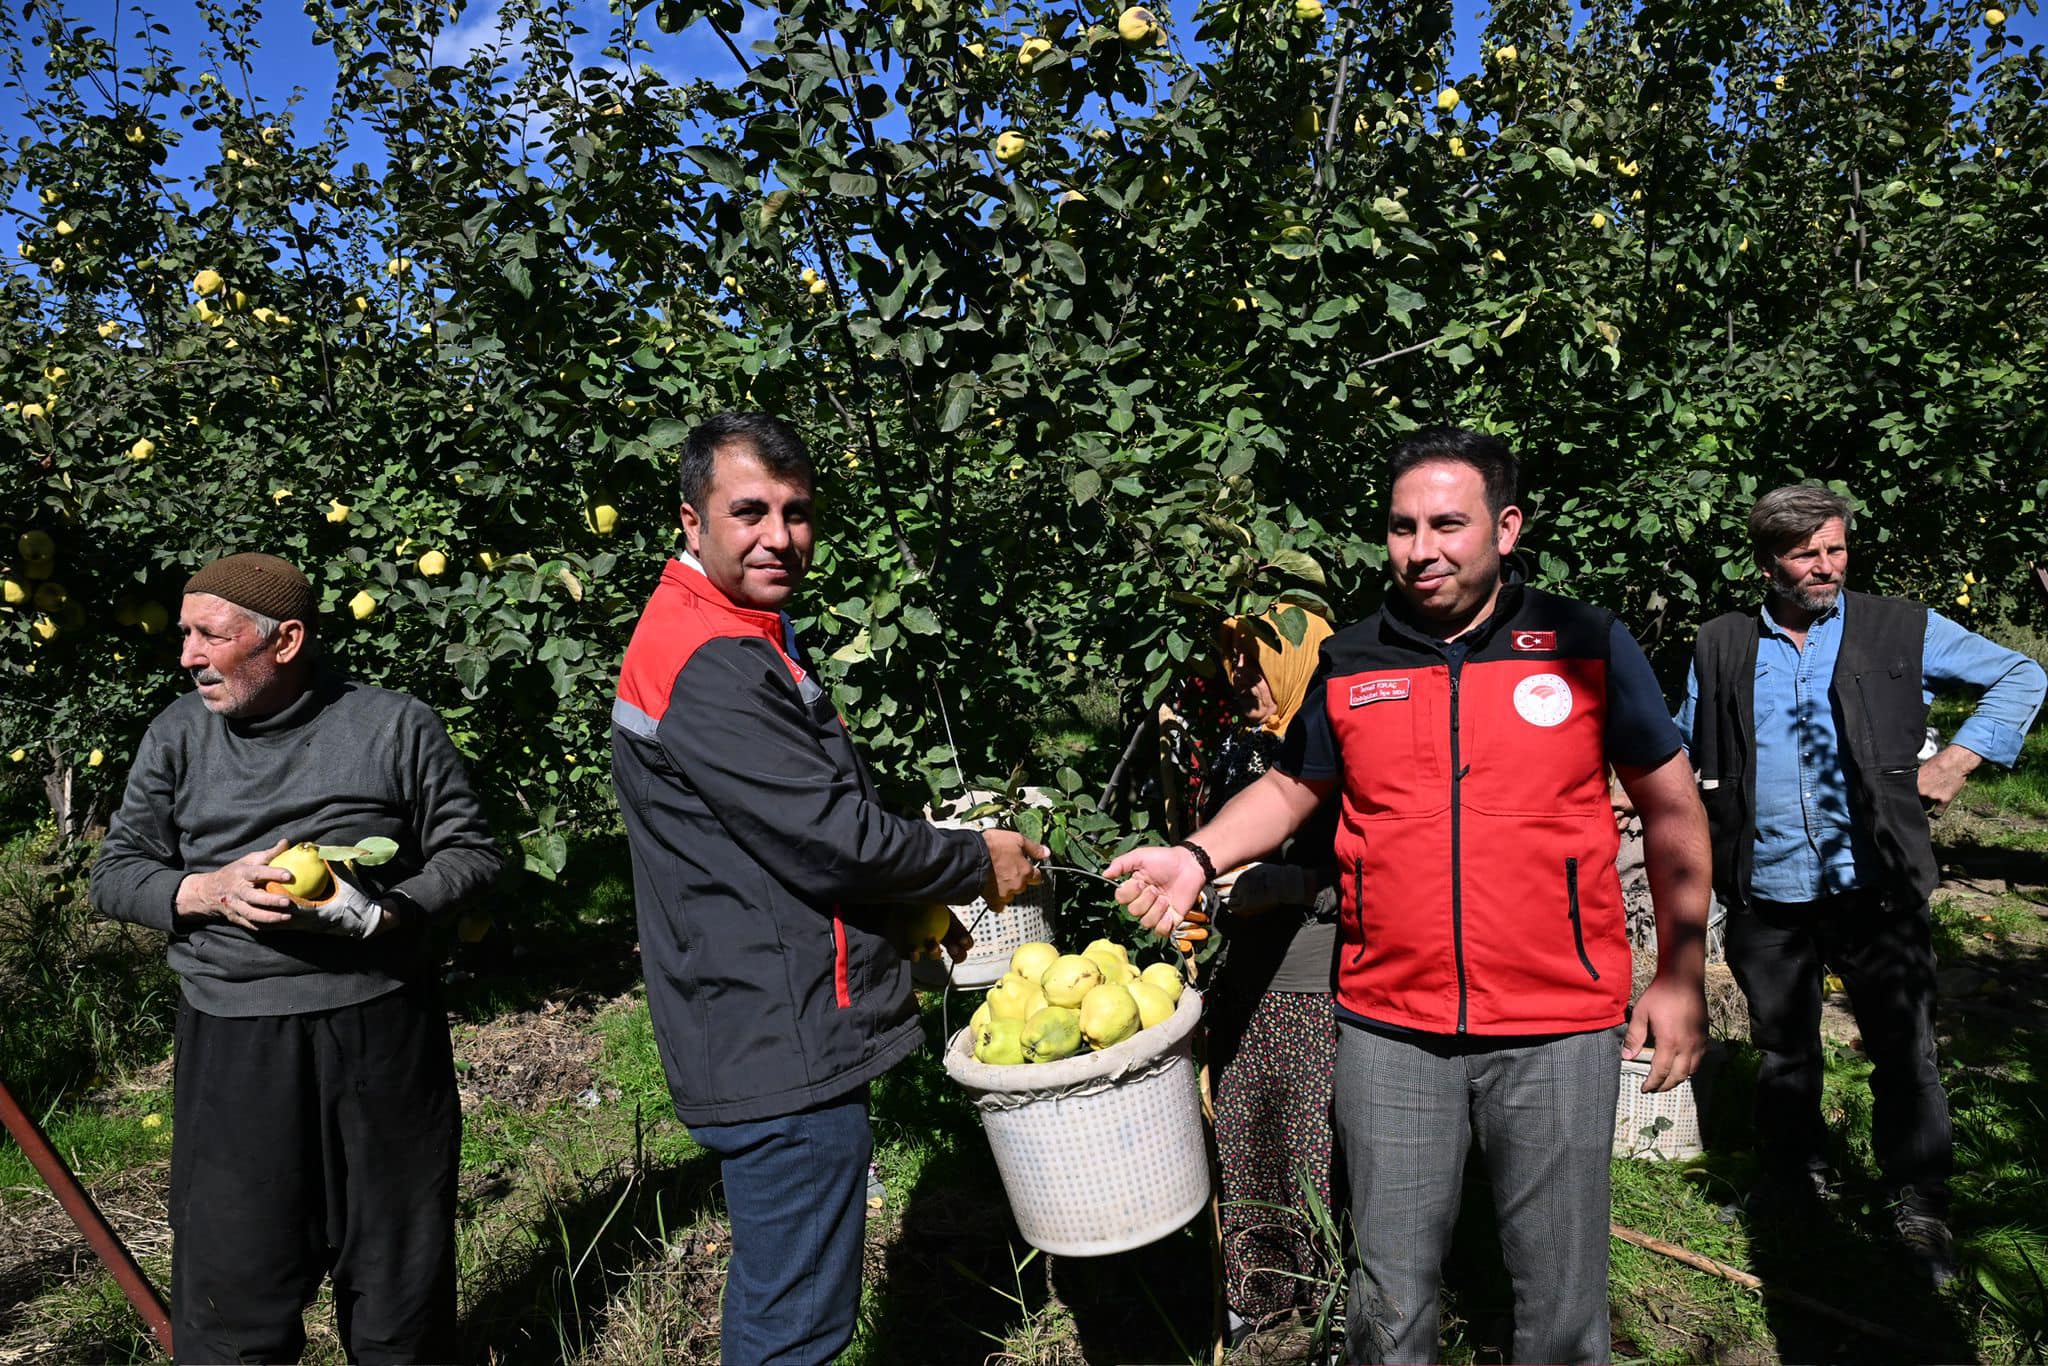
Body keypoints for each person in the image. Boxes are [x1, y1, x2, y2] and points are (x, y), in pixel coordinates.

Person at [1110, 429, 1711, 1365]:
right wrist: (1195, 853)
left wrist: (1681, 972)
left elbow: (1671, 807)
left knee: (1559, 1301)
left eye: (1448, 524)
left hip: (1556, 1020)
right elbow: (1292, 787)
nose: (1421, 549)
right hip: (1390, 1025)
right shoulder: (1353, 660)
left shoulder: (1585, 645)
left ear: (1505, 529)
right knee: (1388, 1295)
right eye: (1402, 527)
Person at [610, 411, 1046, 1366]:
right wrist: (976, 859)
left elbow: (782, 830)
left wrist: (896, 917)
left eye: (797, 512)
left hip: (770, 1008)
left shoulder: (737, 628)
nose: (779, 536)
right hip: (775, 1031)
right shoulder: (711, 662)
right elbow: (831, 840)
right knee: (795, 1327)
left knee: (791, 1303)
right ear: (693, 523)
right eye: (749, 512)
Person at [91, 551, 502, 1363]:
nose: (188, 658)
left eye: (209, 636)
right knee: (232, 1289)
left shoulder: (391, 724)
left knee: (398, 1285)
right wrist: (207, 892)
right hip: (235, 1039)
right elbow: (117, 873)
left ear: (284, 641)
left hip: (380, 1028)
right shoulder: (178, 735)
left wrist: (391, 913)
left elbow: (472, 853)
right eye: (185, 635)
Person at [1675, 484, 2046, 1283]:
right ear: (1766, 561)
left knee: (1904, 1049)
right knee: (1783, 1049)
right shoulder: (1722, 643)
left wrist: (1958, 758)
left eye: (1835, 550)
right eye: (1806, 553)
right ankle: (1795, 1182)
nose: (1825, 567)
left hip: (1874, 881)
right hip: (1765, 881)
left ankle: (1918, 1204)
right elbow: (1684, 742)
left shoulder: (1899, 628)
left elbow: (2021, 675)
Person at [1201, 608, 1343, 1344]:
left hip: (1315, 982)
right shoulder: (1237, 751)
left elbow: (1373, 869)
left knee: (1308, 1148)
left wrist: (1291, 887)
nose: (1243, 679)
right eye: (1235, 663)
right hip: (1241, 976)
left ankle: (1323, 1302)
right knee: (1243, 1137)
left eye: (1258, 663)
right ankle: (1258, 1303)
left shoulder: (1335, 748)